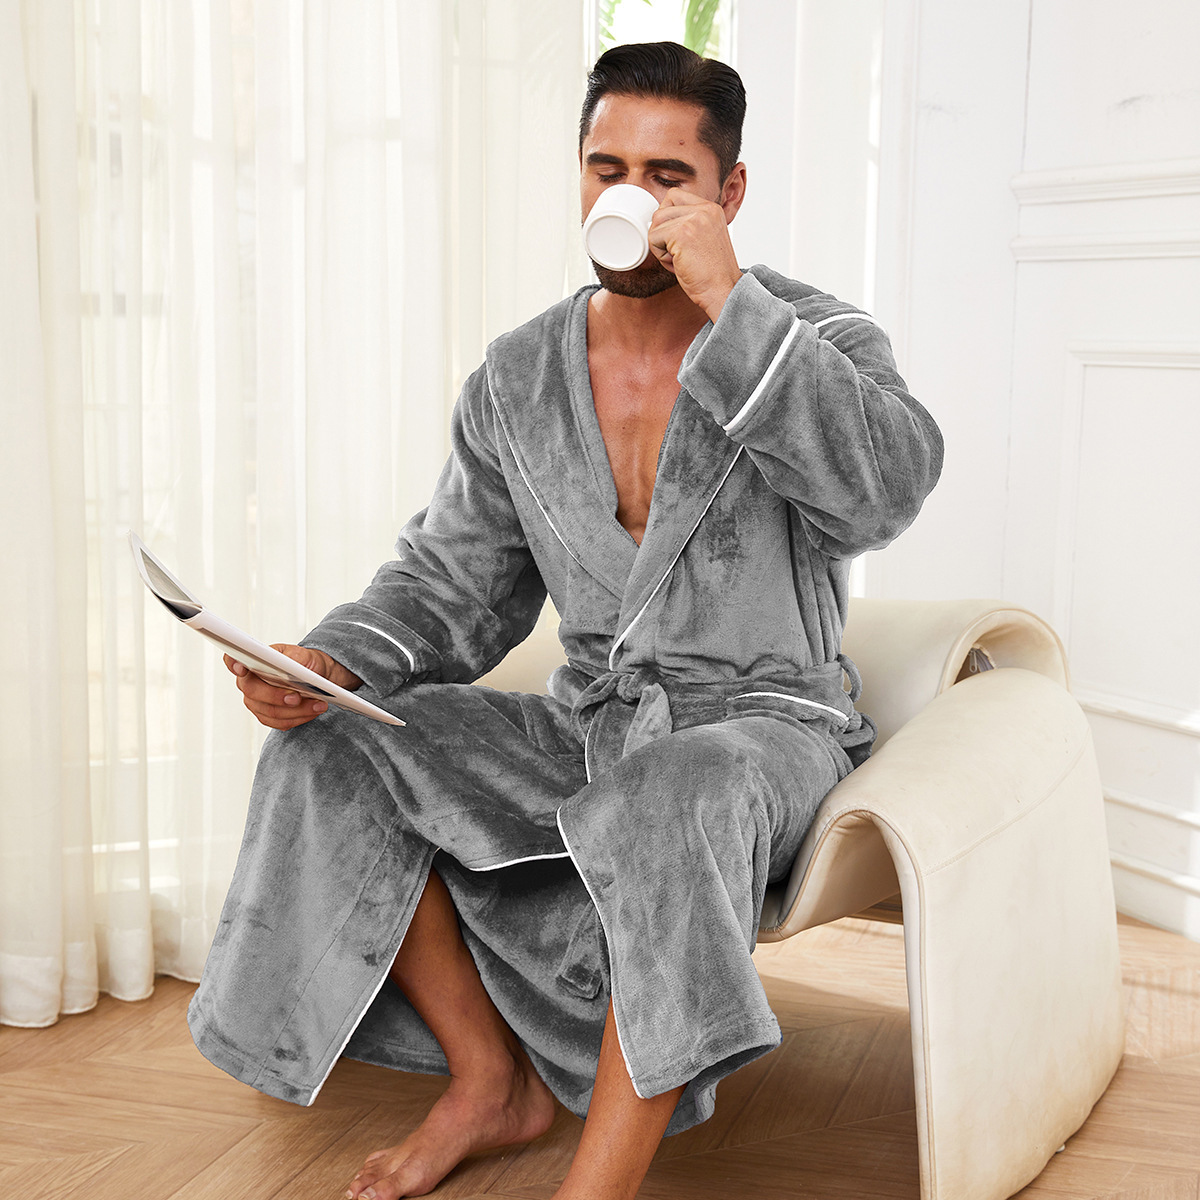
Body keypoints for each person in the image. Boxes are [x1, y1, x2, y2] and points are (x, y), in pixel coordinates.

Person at [189, 41, 943, 1200]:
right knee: (335, 747)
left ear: (730, 192)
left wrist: (733, 308)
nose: (628, 198)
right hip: (593, 724)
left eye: (667, 177)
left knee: (670, 791)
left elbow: (886, 492)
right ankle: (489, 1081)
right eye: (606, 169)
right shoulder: (519, 377)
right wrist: (331, 660)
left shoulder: (814, 340)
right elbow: (453, 581)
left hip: (763, 732)